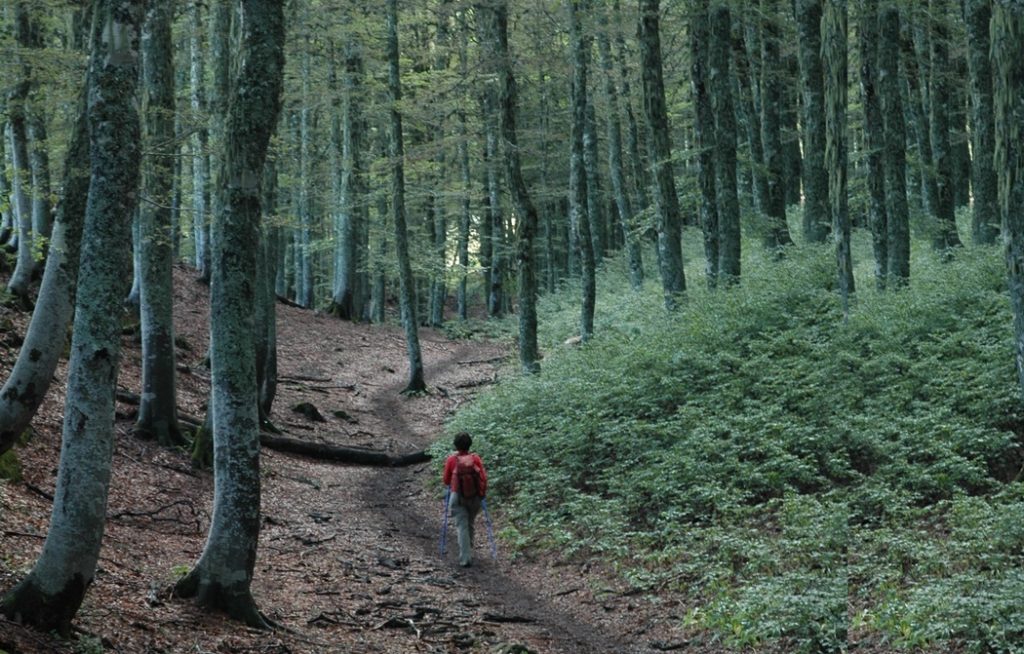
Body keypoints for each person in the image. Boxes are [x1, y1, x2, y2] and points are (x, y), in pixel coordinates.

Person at [442, 432, 488, 567]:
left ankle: (465, 558)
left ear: (455, 445)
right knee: (470, 523)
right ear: (470, 444)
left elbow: (446, 481)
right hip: (475, 497)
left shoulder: (451, 459)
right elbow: (483, 478)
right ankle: (469, 549)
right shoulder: (475, 458)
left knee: (462, 525)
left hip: (458, 497)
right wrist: (482, 494)